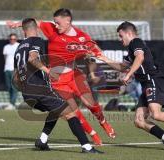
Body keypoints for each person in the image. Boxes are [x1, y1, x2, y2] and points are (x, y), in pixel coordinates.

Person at [7, 8, 115, 143]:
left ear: (67, 21)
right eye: (54, 22)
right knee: (72, 110)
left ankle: (103, 122)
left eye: (57, 22)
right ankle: (93, 135)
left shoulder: (82, 36)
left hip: (74, 74)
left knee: (90, 103)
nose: (55, 25)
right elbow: (35, 22)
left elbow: (96, 51)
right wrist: (17, 24)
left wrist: (104, 58)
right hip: (57, 79)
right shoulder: (51, 29)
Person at [98, 21, 164, 151]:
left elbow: (140, 57)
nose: (120, 39)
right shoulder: (131, 50)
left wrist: (129, 74)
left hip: (153, 80)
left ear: (129, 33)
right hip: (146, 84)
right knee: (139, 121)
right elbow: (122, 66)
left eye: (120, 35)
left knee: (156, 114)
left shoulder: (136, 42)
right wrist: (103, 58)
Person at [3, 33, 19, 109]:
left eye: (14, 39)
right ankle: (11, 103)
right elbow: (5, 57)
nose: (12, 40)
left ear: (16, 39)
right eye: (11, 39)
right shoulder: (6, 47)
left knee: (14, 87)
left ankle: (12, 103)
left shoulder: (19, 46)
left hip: (15, 69)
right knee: (9, 87)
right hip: (7, 69)